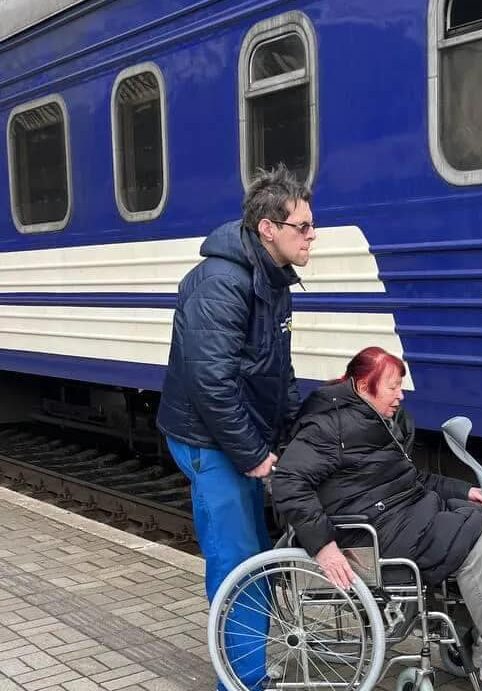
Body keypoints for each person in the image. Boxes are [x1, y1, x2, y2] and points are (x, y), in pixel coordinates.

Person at [271, 347, 482, 689]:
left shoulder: (376, 420)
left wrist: (467, 492)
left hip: (394, 516)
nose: (400, 395)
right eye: (392, 387)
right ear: (364, 386)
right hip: (366, 534)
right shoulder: (329, 426)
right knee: (473, 548)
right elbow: (287, 480)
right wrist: (324, 546)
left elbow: (413, 479)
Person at [156, 164, 316, 690]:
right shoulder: (222, 283)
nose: (312, 237)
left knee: (254, 556)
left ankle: (247, 664)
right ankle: (243, 681)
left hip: (239, 436)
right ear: (268, 228)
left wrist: (294, 431)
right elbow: (211, 384)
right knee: (238, 563)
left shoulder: (273, 280)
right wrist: (252, 455)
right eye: (302, 227)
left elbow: (278, 371)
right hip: (211, 440)